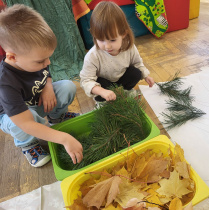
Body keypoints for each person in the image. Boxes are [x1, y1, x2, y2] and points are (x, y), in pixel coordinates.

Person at [0, 4, 83, 167]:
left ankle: (56, 117)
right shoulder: (6, 82)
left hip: (37, 102)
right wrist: (64, 138)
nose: (48, 63)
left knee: (68, 86)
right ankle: (27, 144)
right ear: (12, 57)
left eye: (48, 57)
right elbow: (25, 123)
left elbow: (45, 73)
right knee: (23, 122)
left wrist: (48, 87)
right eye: (41, 61)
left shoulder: (33, 60)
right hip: (17, 117)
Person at [80, 1, 155, 103]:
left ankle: (125, 91)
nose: (107, 46)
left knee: (136, 73)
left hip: (121, 78)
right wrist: (102, 91)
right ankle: (102, 101)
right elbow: (86, 80)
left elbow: (137, 63)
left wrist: (146, 75)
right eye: (101, 40)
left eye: (112, 40)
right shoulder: (92, 56)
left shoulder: (129, 47)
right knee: (99, 83)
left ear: (123, 34)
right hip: (104, 84)